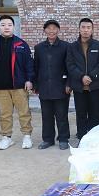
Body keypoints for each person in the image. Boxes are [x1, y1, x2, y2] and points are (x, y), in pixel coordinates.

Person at [0, 15, 35, 150]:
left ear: (14, 27)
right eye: (3, 25)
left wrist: (29, 80)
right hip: (0, 86)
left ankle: (27, 136)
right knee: (4, 113)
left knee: (24, 112)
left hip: (19, 85)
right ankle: (6, 137)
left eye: (9, 25)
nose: (6, 27)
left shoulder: (21, 44)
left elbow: (29, 64)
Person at [66, 18, 99, 141]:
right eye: (83, 27)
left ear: (92, 29)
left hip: (95, 86)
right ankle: (82, 137)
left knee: (95, 114)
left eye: (88, 27)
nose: (86, 30)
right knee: (81, 114)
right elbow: (70, 64)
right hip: (79, 87)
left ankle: (95, 138)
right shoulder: (72, 47)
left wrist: (91, 76)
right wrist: (81, 77)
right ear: (79, 29)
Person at [33, 20, 71, 150]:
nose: (51, 31)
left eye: (54, 28)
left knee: (62, 115)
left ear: (58, 30)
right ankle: (48, 139)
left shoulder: (66, 46)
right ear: (45, 31)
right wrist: (36, 85)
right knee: (46, 116)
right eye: (48, 28)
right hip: (44, 87)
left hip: (61, 87)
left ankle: (63, 138)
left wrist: (68, 83)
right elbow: (36, 67)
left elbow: (69, 67)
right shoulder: (39, 48)